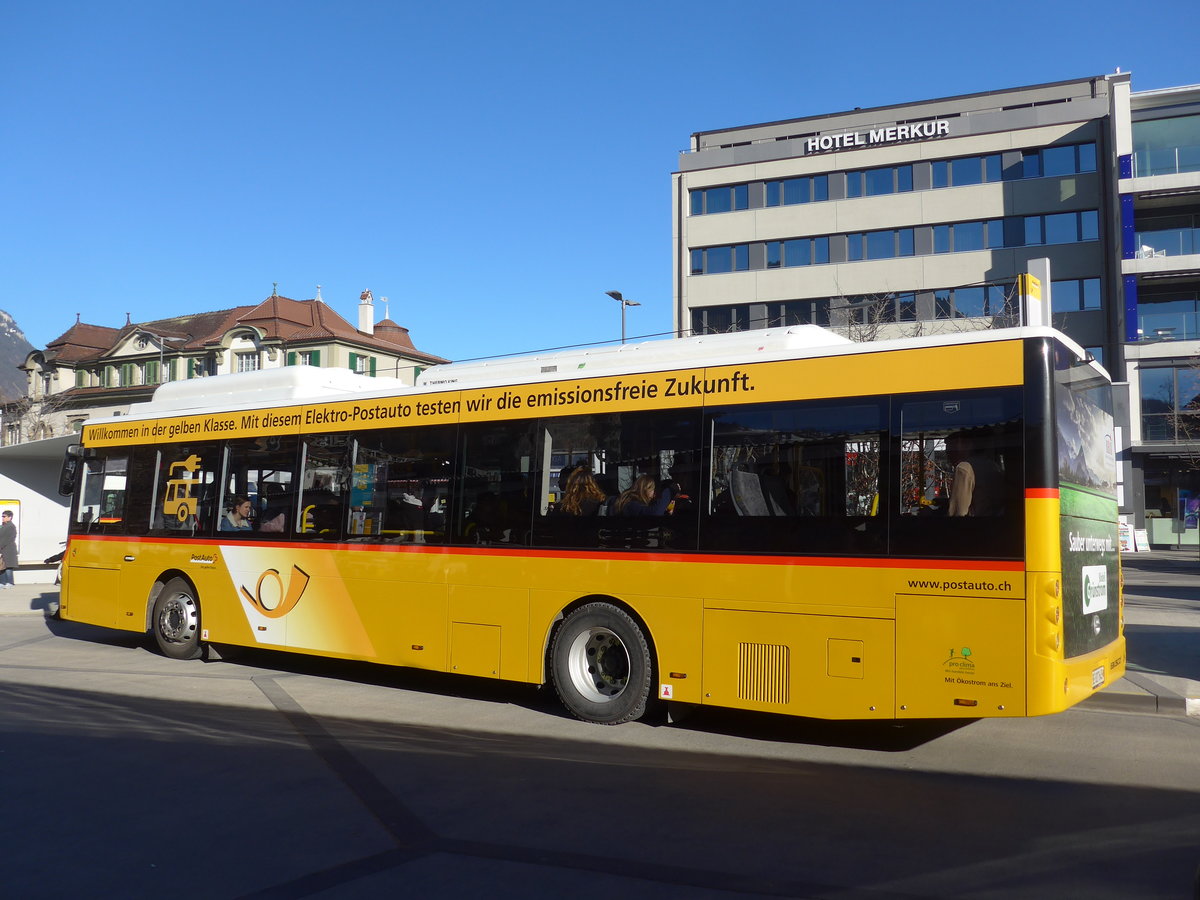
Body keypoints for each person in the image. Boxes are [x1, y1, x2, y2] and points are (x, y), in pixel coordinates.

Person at [946, 432, 1004, 517]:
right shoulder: (992, 465)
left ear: (965, 445)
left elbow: (959, 512)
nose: (949, 457)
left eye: (951, 451)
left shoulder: (964, 468)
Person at [0, 510, 16, 589]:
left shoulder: (10, 526)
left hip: (9, 549)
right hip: (3, 549)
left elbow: (6, 539)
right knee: (2, 566)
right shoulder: (4, 525)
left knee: (8, 567)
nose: (2, 518)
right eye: (2, 516)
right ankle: (2, 582)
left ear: (10, 517)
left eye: (4, 516)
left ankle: (10, 582)